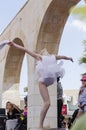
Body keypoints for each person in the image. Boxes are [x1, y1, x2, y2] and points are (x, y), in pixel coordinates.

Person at [7, 41, 73, 130]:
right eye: (45, 52)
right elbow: (25, 50)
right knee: (47, 103)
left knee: (48, 104)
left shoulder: (53, 58)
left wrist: (69, 58)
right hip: (43, 82)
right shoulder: (40, 57)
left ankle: (41, 125)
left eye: (47, 52)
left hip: (49, 81)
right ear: (43, 54)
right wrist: (14, 45)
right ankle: (40, 126)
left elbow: (63, 57)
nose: (47, 53)